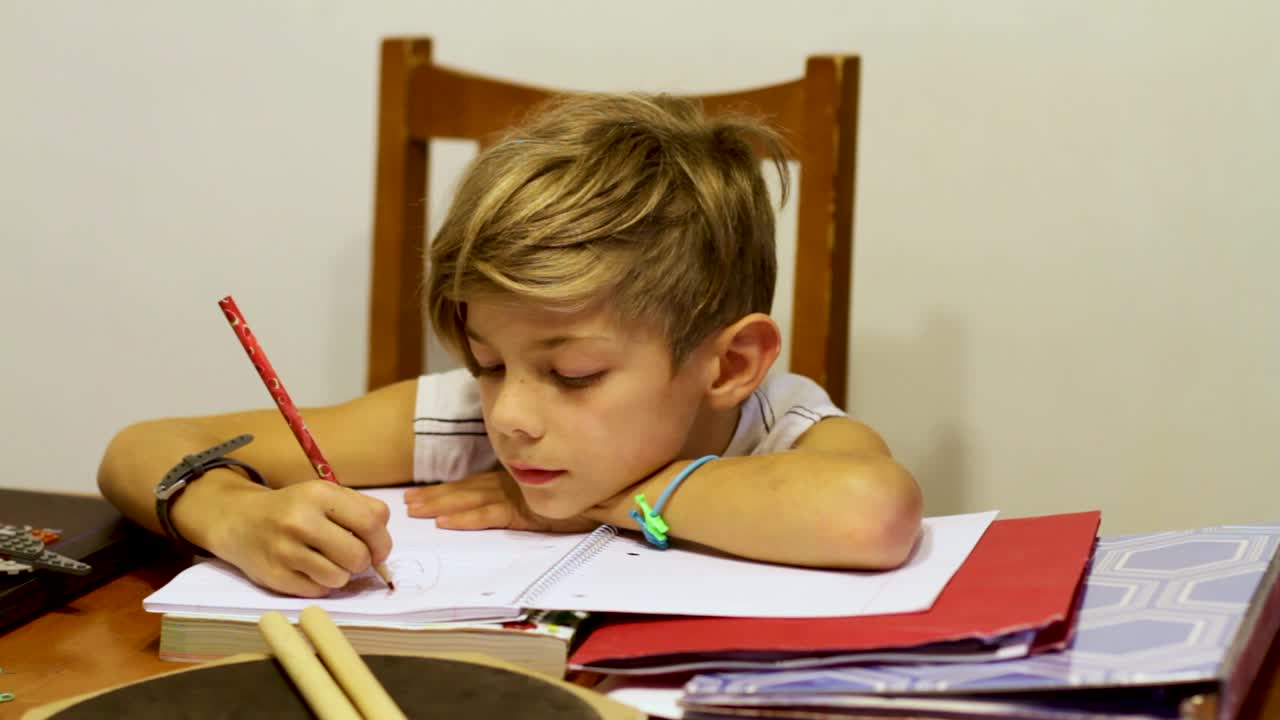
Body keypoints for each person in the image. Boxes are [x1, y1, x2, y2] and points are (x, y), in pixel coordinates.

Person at [98, 93, 922, 599]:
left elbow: (872, 513)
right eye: (488, 362)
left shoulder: (782, 430)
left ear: (730, 365)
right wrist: (237, 518)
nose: (512, 416)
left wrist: (611, 503)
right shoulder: (466, 417)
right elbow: (140, 449)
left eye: (574, 373)